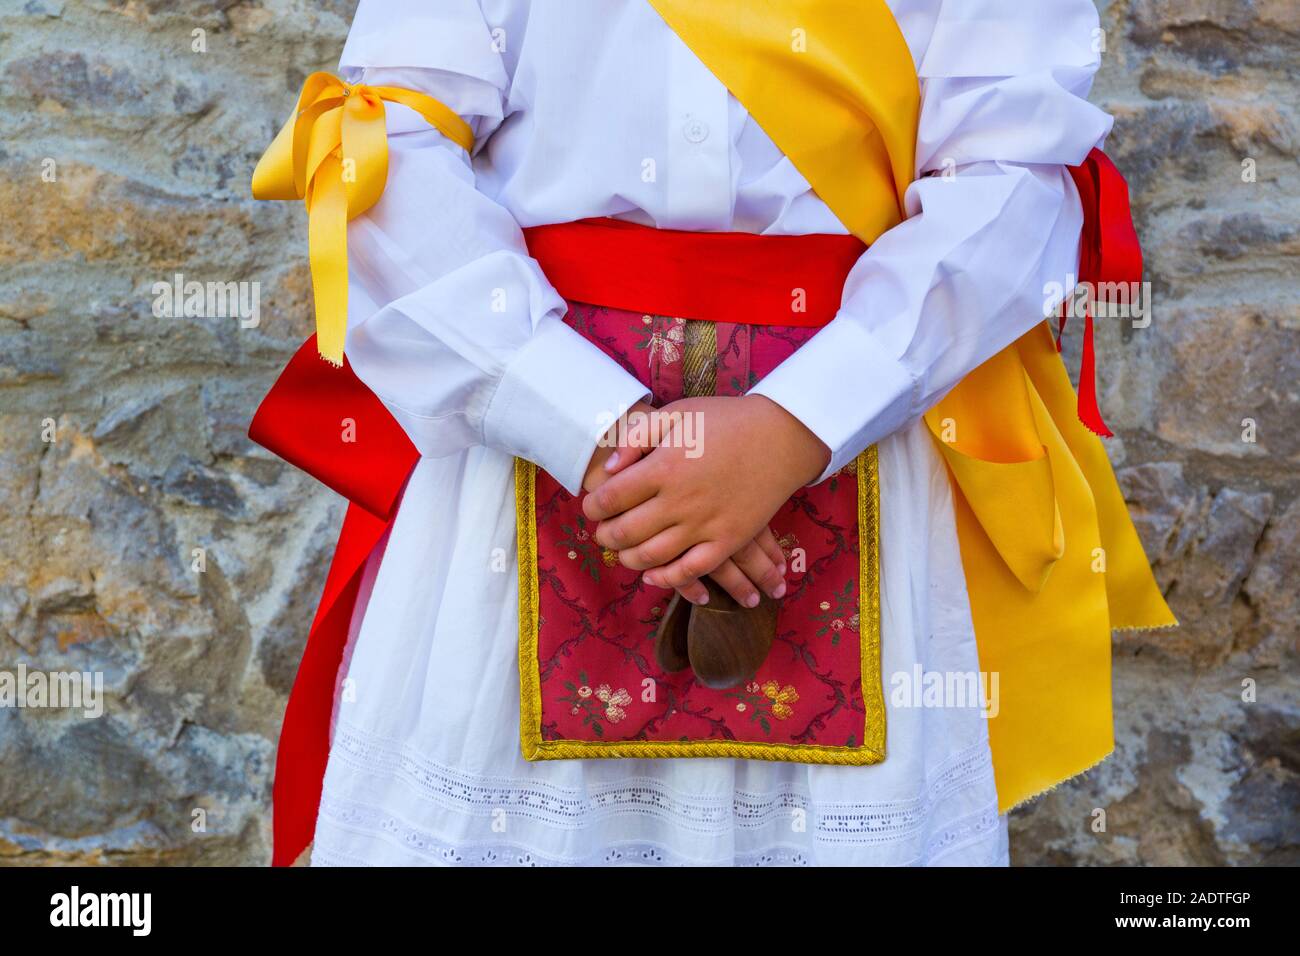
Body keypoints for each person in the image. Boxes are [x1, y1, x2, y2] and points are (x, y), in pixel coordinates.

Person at [249, 0, 1173, 867]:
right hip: (523, 449)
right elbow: (381, 145)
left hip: (856, 435)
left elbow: (1016, 179)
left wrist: (798, 424)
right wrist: (588, 423)